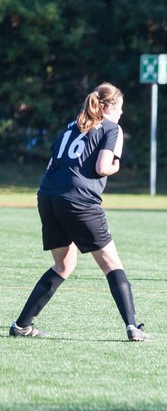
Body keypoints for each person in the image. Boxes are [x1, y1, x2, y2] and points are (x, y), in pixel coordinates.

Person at [10, 83, 149, 341]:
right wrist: (117, 166)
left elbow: (53, 163)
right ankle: (132, 327)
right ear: (108, 107)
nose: (121, 114)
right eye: (119, 108)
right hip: (79, 200)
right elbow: (102, 166)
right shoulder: (112, 128)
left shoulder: (71, 127)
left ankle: (21, 325)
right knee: (111, 264)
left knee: (63, 264)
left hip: (48, 196)